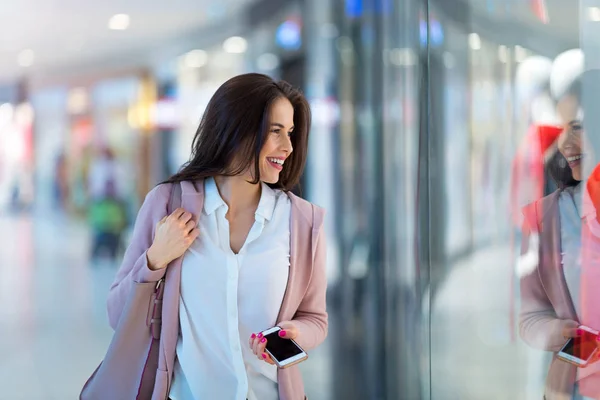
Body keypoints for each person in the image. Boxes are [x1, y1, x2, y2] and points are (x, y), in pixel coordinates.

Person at [106, 73, 327, 400]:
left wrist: (294, 333)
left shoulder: (303, 220)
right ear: (236, 129)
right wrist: (154, 260)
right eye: (276, 131)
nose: (288, 147)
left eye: (291, 133)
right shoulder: (167, 205)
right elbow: (117, 315)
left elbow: (315, 319)